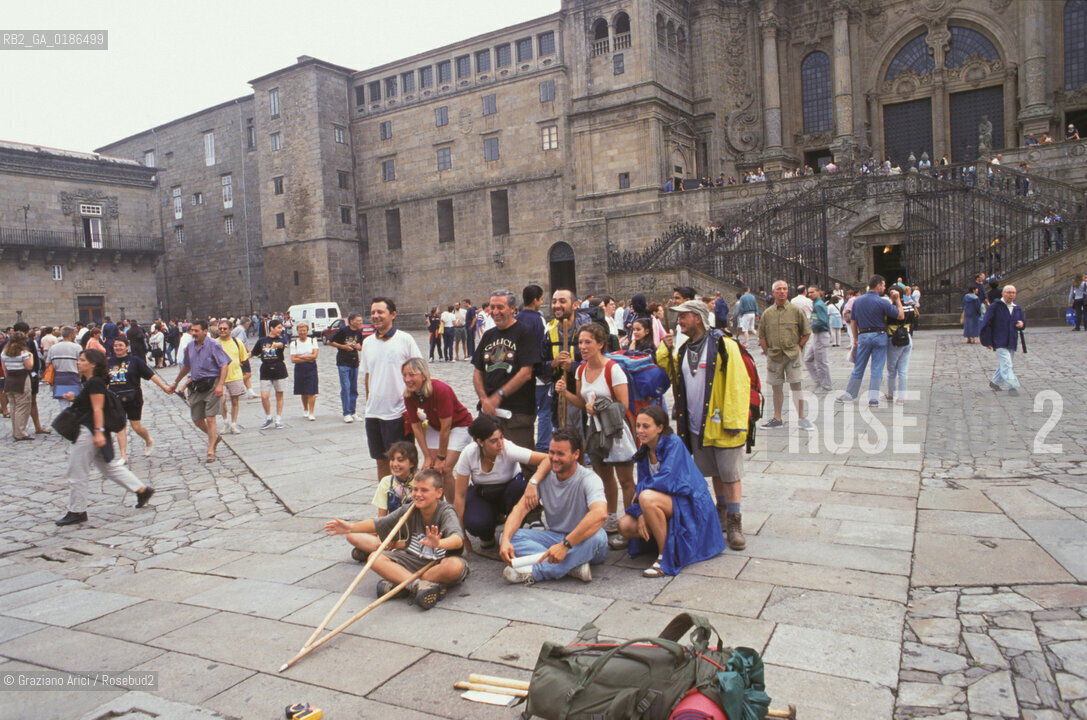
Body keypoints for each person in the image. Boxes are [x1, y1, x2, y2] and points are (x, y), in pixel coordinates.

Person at [659, 299, 751, 550]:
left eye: (683, 317)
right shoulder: (683, 348)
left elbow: (738, 384)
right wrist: (664, 348)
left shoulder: (724, 345)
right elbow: (668, 372)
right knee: (714, 472)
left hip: (724, 424)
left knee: (730, 475)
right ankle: (721, 513)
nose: (679, 322)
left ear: (697, 318)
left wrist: (733, 420)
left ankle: (734, 522)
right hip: (697, 425)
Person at [325, 469, 467, 610]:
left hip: (438, 563)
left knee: (455, 566)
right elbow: (379, 523)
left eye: (424, 490)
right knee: (375, 557)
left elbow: (458, 539)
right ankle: (417, 585)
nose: (418, 494)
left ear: (439, 493)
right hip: (413, 558)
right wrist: (350, 527)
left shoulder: (446, 511)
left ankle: (403, 582)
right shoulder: (410, 509)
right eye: (415, 489)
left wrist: (439, 543)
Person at [614, 406, 725, 577]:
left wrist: (642, 494)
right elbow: (644, 485)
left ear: (659, 428)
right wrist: (642, 513)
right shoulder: (644, 450)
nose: (640, 431)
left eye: (646, 426)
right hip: (661, 503)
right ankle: (666, 539)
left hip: (689, 502)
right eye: (638, 426)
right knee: (624, 526)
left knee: (646, 496)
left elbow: (667, 480)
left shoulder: (674, 442)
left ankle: (664, 557)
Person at [554, 323, 636, 539]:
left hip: (616, 431)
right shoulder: (581, 369)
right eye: (580, 342)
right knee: (604, 477)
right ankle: (610, 517)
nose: (583, 346)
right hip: (595, 432)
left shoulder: (613, 370)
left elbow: (623, 405)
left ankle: (629, 521)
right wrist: (565, 393)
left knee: (626, 479)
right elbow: (582, 403)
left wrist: (598, 407)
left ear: (600, 344)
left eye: (588, 342)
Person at [55, 349, 155, 526]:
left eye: (82, 360)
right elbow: (91, 404)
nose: (78, 362)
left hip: (89, 430)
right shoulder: (92, 381)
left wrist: (99, 431)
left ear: (92, 364)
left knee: (77, 470)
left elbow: (97, 408)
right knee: (108, 467)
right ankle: (141, 489)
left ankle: (77, 510)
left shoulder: (95, 383)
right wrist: (74, 398)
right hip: (93, 429)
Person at [499, 429, 607, 584]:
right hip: (554, 537)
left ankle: (537, 571)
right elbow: (519, 511)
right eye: (551, 452)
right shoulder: (544, 476)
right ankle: (572, 566)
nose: (554, 458)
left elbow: (600, 514)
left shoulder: (589, 479)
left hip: (582, 539)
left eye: (561, 454)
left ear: (576, 454)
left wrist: (565, 545)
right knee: (507, 535)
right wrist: (505, 542)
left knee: (599, 537)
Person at [453, 415, 551, 550]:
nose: (500, 444)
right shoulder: (469, 453)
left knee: (520, 488)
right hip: (483, 493)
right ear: (480, 442)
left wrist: (533, 482)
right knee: (476, 522)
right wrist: (461, 535)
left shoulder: (508, 448)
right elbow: (460, 495)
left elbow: (547, 459)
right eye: (493, 441)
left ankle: (512, 533)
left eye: (501, 437)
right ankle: (487, 535)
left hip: (510, 492)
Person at [362, 297, 423, 485]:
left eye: (380, 312)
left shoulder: (405, 339)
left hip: (398, 413)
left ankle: (409, 501)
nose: (375, 316)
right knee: (381, 462)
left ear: (393, 314)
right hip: (374, 413)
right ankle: (387, 501)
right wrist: (369, 401)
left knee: (404, 462)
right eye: (373, 312)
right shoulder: (367, 343)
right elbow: (367, 375)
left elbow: (420, 372)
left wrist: (415, 406)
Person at [472, 289, 540, 452]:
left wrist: (497, 396)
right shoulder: (488, 335)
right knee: (488, 459)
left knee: (523, 462)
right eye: (492, 307)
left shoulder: (525, 332)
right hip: (489, 413)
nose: (495, 312)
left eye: (500, 307)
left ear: (512, 308)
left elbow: (526, 373)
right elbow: (477, 371)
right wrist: (484, 399)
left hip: (517, 413)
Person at [402, 357, 472, 502]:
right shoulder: (409, 394)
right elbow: (416, 426)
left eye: (411, 375)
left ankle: (453, 511)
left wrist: (441, 457)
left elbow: (446, 427)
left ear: (423, 375)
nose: (407, 379)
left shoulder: (440, 390)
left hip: (459, 425)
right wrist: (427, 456)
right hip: (436, 425)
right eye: (404, 375)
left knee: (445, 468)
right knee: (432, 470)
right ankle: (436, 509)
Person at [167, 320, 231, 463]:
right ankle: (214, 437)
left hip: (212, 384)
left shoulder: (214, 345)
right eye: (192, 331)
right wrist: (175, 382)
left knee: (210, 417)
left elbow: (224, 365)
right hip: (196, 386)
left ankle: (210, 449)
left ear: (205, 331)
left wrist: (220, 385)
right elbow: (186, 366)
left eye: (196, 331)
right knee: (197, 419)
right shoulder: (190, 346)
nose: (193, 333)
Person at [836, 275, 905, 407]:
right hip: (880, 335)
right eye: (884, 285)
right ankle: (873, 398)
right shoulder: (883, 301)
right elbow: (901, 315)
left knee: (859, 366)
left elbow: (854, 321)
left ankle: (850, 394)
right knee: (877, 368)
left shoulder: (858, 301)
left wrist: (855, 338)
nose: (884, 288)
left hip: (864, 335)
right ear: (878, 286)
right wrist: (897, 300)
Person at [758, 280, 814, 430]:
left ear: (788, 292)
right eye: (778, 289)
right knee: (776, 387)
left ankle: (802, 417)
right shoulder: (767, 313)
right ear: (773, 293)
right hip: (774, 355)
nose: (782, 291)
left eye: (784, 289)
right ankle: (777, 418)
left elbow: (807, 332)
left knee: (796, 385)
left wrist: (800, 346)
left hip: (792, 354)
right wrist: (767, 351)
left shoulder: (796, 311)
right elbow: (761, 335)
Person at [108, 335, 171, 464]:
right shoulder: (109, 362)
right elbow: (104, 381)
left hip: (133, 398)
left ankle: (148, 439)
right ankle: (123, 456)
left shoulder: (135, 361)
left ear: (126, 347)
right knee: (121, 427)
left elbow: (151, 375)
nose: (117, 348)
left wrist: (164, 387)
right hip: (116, 398)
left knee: (136, 426)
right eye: (115, 345)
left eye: (120, 345)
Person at [515, 284, 551, 452]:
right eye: (541, 298)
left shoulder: (516, 318)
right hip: (538, 374)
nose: (542, 302)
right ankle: (543, 446)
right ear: (536, 300)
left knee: (525, 412)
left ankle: (521, 444)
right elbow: (541, 347)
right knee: (544, 411)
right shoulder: (538, 319)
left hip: (520, 374)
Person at [980, 285, 1026, 396]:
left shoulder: (1017, 307)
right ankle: (1012, 386)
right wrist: (987, 340)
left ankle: (995, 382)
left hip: (1011, 339)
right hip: (999, 339)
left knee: (1006, 363)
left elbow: (1022, 321)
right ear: (1003, 293)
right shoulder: (995, 306)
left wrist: (1021, 324)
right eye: (1009, 292)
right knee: (1006, 363)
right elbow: (986, 323)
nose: (1011, 295)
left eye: (1013, 293)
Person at [884, 284, 919, 405]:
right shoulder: (909, 307)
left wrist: (894, 301)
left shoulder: (891, 309)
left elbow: (887, 320)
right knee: (903, 369)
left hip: (894, 338)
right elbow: (913, 320)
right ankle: (902, 396)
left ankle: (891, 394)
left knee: (892, 369)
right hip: (907, 336)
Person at [253, 319, 289, 429]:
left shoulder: (282, 339)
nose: (280, 329)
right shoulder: (262, 340)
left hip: (279, 369)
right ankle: (269, 417)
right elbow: (254, 352)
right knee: (264, 396)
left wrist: (276, 345)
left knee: (279, 394)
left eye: (281, 327)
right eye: (278, 327)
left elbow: (281, 344)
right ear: (271, 328)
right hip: (265, 370)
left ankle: (278, 419)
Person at [329, 313, 365, 422]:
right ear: (352, 321)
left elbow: (360, 345)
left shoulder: (359, 332)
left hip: (354, 362)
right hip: (343, 362)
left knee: (354, 388)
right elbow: (330, 341)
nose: (360, 322)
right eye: (358, 320)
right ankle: (346, 413)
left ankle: (353, 411)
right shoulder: (343, 331)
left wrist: (359, 347)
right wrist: (342, 346)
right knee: (346, 387)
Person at [215, 320, 249, 434]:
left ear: (230, 330)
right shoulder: (215, 343)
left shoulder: (237, 342)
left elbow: (243, 358)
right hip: (219, 378)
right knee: (222, 400)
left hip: (235, 376)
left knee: (235, 401)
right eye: (220, 328)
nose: (222, 331)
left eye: (225, 328)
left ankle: (233, 424)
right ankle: (226, 422)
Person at [3, 332, 34, 441]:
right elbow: (29, 366)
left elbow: (5, 369)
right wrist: (31, 357)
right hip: (21, 379)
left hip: (10, 379)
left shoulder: (4, 353)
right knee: (22, 406)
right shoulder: (24, 353)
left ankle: (15, 430)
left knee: (13, 406)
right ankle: (20, 432)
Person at [803, 285, 832, 395]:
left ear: (818, 292)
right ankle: (819, 380)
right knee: (808, 358)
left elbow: (823, 321)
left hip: (820, 334)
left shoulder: (819, 305)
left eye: (812, 292)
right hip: (817, 334)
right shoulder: (816, 304)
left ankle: (826, 385)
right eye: (809, 292)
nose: (810, 294)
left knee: (821, 362)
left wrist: (811, 327)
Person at [46, 327, 82, 410]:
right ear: (70, 335)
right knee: (77, 402)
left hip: (59, 377)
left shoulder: (53, 348)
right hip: (73, 376)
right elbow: (81, 364)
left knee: (63, 405)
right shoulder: (77, 347)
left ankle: (65, 421)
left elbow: (47, 364)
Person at [290, 322, 319, 420]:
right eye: (300, 331)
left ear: (307, 331)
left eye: (304, 330)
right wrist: (308, 357)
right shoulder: (294, 343)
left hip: (311, 367)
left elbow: (314, 356)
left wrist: (300, 356)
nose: (302, 332)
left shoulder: (312, 341)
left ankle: (311, 412)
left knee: (312, 390)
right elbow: (293, 359)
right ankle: (305, 408)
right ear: (297, 331)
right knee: (303, 391)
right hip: (300, 368)